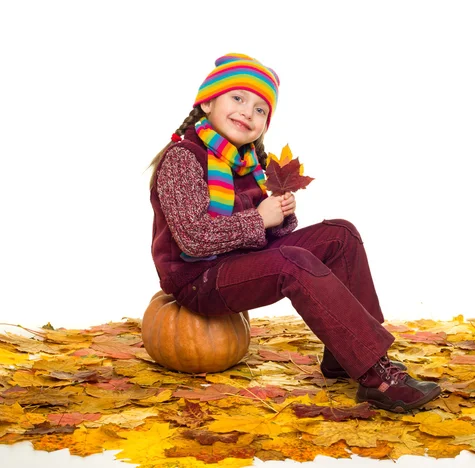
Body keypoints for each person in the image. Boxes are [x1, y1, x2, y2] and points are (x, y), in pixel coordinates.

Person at [148, 53, 441, 412]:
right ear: (207, 101)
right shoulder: (184, 157)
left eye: (260, 110)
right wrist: (259, 219)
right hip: (198, 279)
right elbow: (192, 238)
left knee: (340, 234)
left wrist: (280, 216)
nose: (247, 113)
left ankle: (344, 354)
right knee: (293, 262)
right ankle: (374, 375)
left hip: (239, 263)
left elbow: (265, 234)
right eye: (237, 99)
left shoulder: (248, 162)